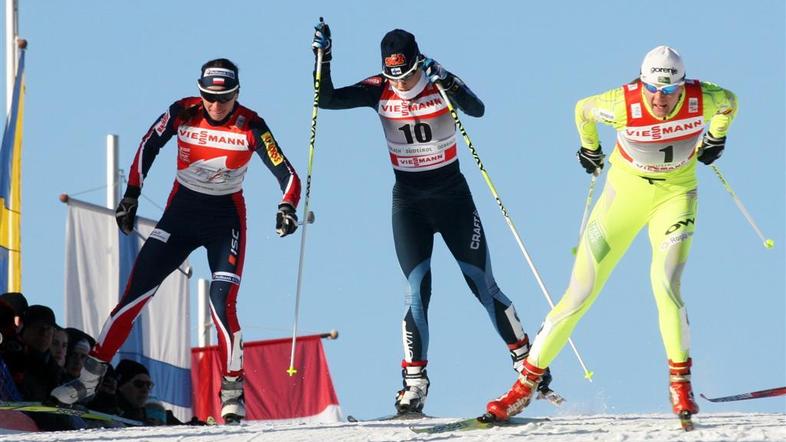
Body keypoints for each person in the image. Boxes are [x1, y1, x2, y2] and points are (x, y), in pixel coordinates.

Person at [311, 23, 556, 415]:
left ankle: (528, 362)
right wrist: (323, 60)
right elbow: (326, 100)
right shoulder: (378, 88)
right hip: (409, 202)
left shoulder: (438, 79)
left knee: (482, 284)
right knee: (415, 291)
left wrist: (451, 84)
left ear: (418, 62)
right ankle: (413, 385)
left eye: (408, 74)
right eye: (396, 76)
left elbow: (477, 109)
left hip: (453, 199)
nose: (403, 83)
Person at [486, 46, 738, 426]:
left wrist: (716, 138)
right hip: (623, 198)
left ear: (682, 87)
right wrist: (590, 148)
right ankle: (523, 389)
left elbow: (730, 103)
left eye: (670, 92)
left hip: (676, 197)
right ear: (643, 82)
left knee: (666, 284)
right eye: (654, 89)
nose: (661, 99)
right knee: (580, 293)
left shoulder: (705, 98)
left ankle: (680, 383)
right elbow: (582, 110)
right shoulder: (622, 102)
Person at [51, 58, 302, 423]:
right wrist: (132, 194)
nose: (216, 106)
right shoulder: (183, 111)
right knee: (134, 295)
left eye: (225, 98)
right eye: (209, 97)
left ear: (236, 95)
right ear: (200, 92)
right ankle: (88, 381)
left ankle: (232, 391)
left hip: (224, 221)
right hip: (181, 214)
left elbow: (288, 173)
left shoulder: (251, 125)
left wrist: (286, 206)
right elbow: (147, 145)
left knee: (222, 303)